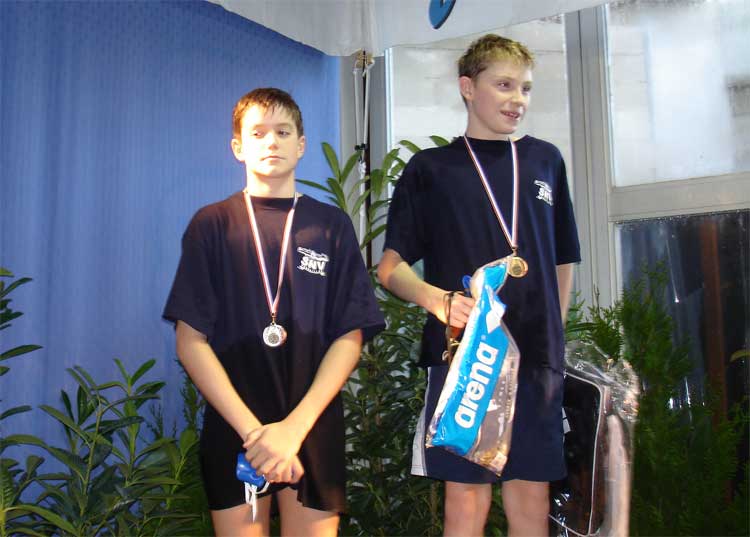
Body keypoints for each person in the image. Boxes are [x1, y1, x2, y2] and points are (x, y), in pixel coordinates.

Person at [377, 34, 580, 536]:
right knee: (466, 502)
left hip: (535, 361)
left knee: (531, 498)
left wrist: (553, 337)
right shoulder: (431, 169)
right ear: (468, 87)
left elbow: (563, 260)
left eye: (526, 88)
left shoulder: (546, 161)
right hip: (466, 357)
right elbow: (390, 269)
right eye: (504, 85)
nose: (518, 99)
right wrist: (439, 300)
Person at [163, 87, 384, 537]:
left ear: (301, 145)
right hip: (235, 422)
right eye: (258, 133)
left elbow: (350, 336)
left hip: (312, 422)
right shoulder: (212, 225)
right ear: (238, 147)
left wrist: (292, 431)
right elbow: (190, 342)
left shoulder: (331, 226)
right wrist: (256, 435)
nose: (271, 142)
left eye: (283, 132)